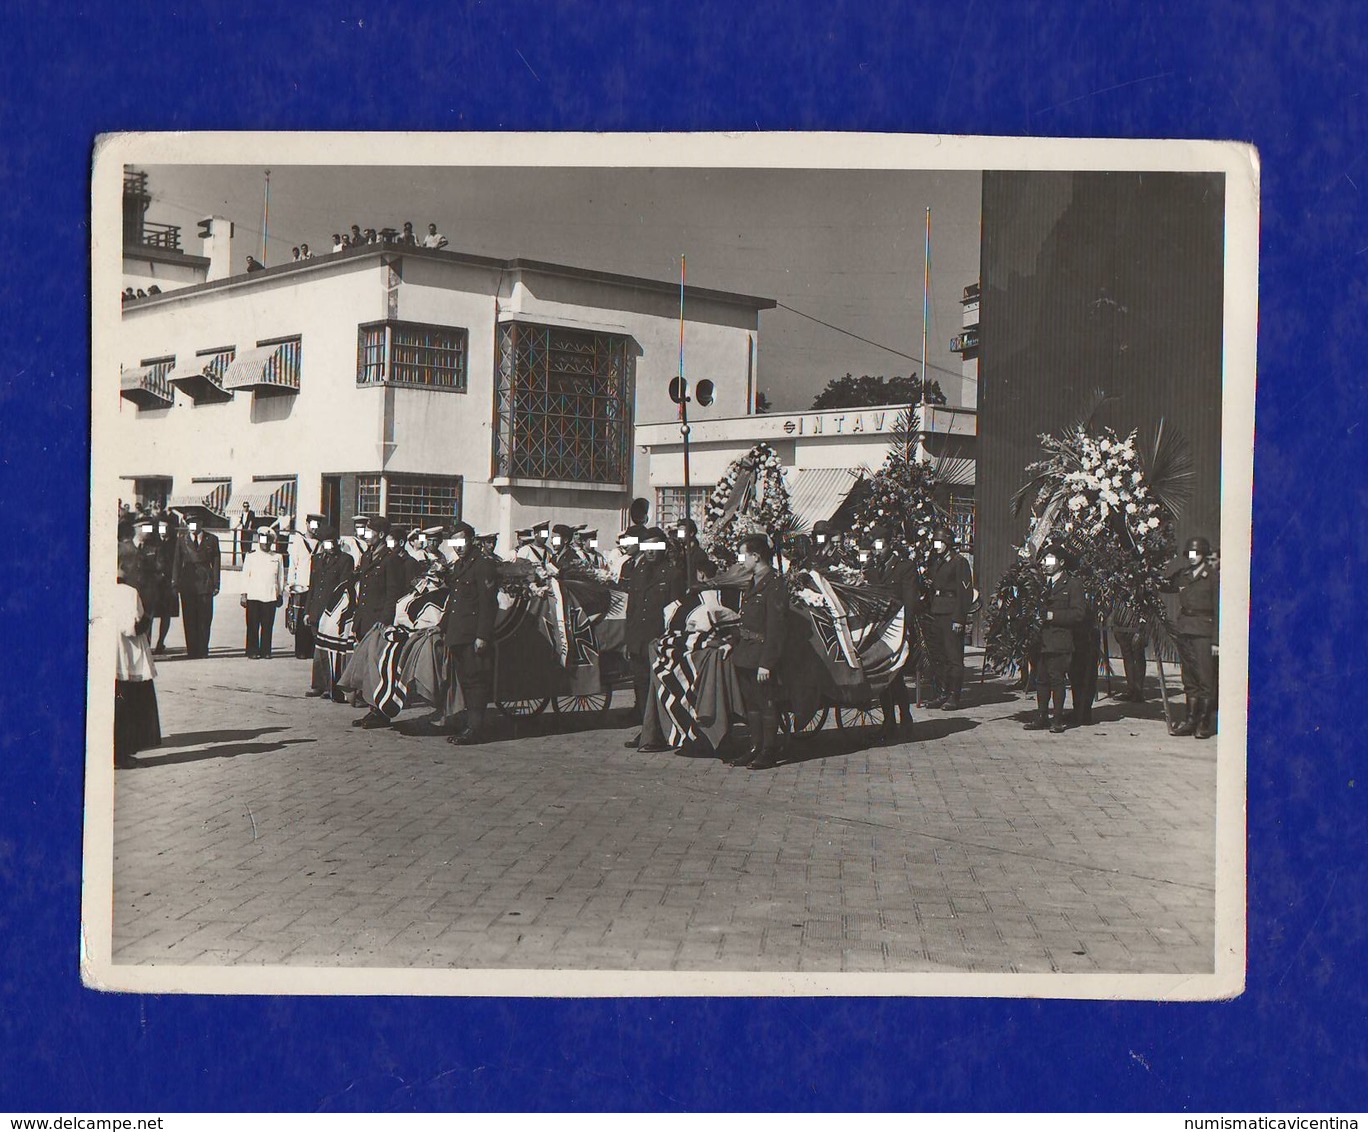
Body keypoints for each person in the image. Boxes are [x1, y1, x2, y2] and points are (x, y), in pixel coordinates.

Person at [622, 528, 685, 752]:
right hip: (638, 638)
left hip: (657, 639)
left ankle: (656, 734)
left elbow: (675, 611)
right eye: (647, 547)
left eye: (655, 547)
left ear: (664, 547)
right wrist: (627, 640)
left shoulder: (672, 574)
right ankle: (645, 729)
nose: (650, 552)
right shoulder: (638, 572)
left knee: (656, 686)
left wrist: (667, 640)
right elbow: (632, 608)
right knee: (640, 686)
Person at [729, 532, 787, 769]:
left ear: (755, 556)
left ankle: (769, 750)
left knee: (767, 704)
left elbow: (777, 627)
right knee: (751, 705)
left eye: (744, 556)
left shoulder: (774, 583)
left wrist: (767, 662)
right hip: (746, 653)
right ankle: (755, 747)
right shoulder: (753, 581)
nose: (742, 561)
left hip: (762, 654)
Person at [442, 522, 498, 745]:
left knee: (475, 682)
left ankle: (475, 729)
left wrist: (482, 635)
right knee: (465, 680)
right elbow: (453, 602)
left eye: (462, 541)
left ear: (472, 540)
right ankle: (469, 723)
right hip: (458, 632)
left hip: (473, 635)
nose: (458, 547)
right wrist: (441, 626)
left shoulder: (483, 566)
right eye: (454, 543)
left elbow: (488, 604)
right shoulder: (459, 566)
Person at [863, 523, 919, 744]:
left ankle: (904, 719)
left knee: (895, 679)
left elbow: (910, 602)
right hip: (879, 630)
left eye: (880, 546)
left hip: (897, 630)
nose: (877, 550)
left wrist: (905, 630)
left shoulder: (904, 567)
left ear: (889, 545)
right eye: (875, 546)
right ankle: (889, 722)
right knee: (883, 679)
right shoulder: (872, 568)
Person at [1160, 536, 1219, 739]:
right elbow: (1165, 585)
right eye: (1190, 554)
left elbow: (1219, 609)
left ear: (1204, 554)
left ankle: (1204, 723)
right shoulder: (1184, 575)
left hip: (1203, 631)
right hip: (1185, 629)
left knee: (1205, 678)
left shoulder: (1212, 577)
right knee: (1189, 678)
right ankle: (1190, 720)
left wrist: (1216, 641)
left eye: (1197, 554)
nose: (1193, 558)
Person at [1023, 541, 1086, 733]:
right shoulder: (1040, 583)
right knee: (1041, 679)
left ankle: (1057, 719)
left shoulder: (1072, 584)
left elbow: (1078, 614)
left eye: (1050, 560)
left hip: (1060, 640)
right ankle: (1042, 716)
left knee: (1057, 679)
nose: (1045, 563)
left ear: (1061, 563)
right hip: (1040, 640)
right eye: (1043, 560)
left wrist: (1053, 616)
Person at [115, 547, 160, 769]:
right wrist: (148, 616)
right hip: (125, 655)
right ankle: (121, 754)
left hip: (105, 655)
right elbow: (131, 627)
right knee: (126, 705)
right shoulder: (128, 592)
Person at [923, 524, 974, 710]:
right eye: (935, 541)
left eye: (939, 542)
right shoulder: (937, 561)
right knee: (939, 656)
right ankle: (941, 693)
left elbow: (965, 592)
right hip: (936, 611)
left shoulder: (959, 562)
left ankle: (954, 695)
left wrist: (959, 618)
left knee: (953, 657)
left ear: (948, 543)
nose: (936, 545)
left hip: (951, 613)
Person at [305, 525, 355, 701]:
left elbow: (344, 588)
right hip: (316, 611)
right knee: (318, 650)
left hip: (332, 612)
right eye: (326, 544)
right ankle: (317, 684)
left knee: (331, 649)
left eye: (332, 543)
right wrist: (307, 611)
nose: (329, 547)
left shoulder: (345, 560)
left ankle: (330, 686)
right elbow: (312, 587)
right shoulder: (317, 559)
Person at [171, 517, 220, 658]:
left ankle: (203, 649)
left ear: (201, 523)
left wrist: (216, 583)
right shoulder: (182, 540)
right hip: (188, 583)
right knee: (189, 618)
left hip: (205, 582)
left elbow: (216, 563)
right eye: (189, 523)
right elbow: (176, 562)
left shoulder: (212, 539)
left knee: (205, 618)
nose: (192, 526)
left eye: (195, 523)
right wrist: (175, 583)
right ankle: (192, 650)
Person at [240, 527, 286, 659]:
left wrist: (280, 594)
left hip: (270, 595)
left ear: (272, 542)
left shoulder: (277, 557)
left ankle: (266, 651)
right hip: (254, 595)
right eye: (263, 540)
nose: (266, 543)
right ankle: (252, 650)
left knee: (267, 626)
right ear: (259, 541)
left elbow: (280, 577)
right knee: (253, 625)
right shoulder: (251, 556)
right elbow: (245, 576)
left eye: (268, 541)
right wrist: (243, 594)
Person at [287, 513, 325, 660]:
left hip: (315, 586)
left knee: (313, 617)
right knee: (300, 618)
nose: (315, 529)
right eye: (313, 525)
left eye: (318, 526)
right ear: (307, 524)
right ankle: (301, 650)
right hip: (302, 585)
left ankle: (311, 649)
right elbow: (293, 564)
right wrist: (291, 584)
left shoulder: (321, 544)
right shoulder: (298, 541)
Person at [1068, 586, 1102, 725]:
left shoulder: (1091, 575)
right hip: (1076, 628)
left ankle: (1084, 712)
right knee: (1075, 672)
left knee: (1087, 672)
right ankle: (1078, 710)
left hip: (1088, 628)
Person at [151, 513, 179, 653]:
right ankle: (147, 643)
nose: (163, 530)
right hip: (153, 584)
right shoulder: (153, 541)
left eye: (166, 528)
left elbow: (177, 563)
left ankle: (160, 642)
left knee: (166, 614)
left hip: (167, 584)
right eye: (161, 527)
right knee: (149, 614)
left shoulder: (175, 543)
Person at [670, 518, 717, 588]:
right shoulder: (676, 551)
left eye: (683, 532)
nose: (680, 535)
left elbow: (704, 576)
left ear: (691, 533)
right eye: (679, 532)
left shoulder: (699, 554)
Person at [1112, 619, 1149, 702]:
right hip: (1121, 619)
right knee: (1127, 654)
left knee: (1138, 653)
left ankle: (1138, 692)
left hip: (1137, 619)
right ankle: (1131, 690)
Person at [232, 500, 255, 567]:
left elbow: (251, 521)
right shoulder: (243, 513)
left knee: (248, 547)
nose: (246, 508)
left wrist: (249, 527)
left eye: (247, 506)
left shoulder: (251, 513)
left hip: (248, 532)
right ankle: (244, 562)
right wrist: (235, 527)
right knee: (242, 546)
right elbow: (241, 521)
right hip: (243, 531)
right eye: (244, 506)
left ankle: (248, 563)